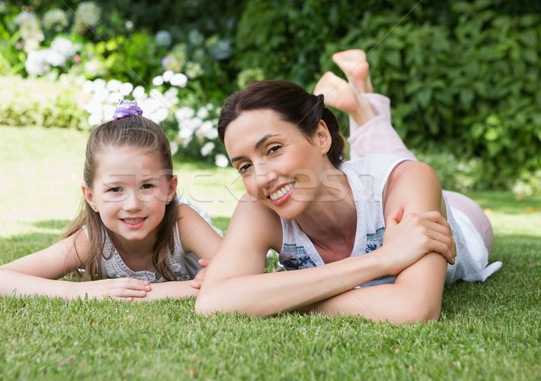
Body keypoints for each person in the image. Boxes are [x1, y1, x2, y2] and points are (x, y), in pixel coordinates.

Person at [195, 50, 501, 323]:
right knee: (364, 169)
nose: (261, 178)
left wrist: (272, 297)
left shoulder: (406, 180)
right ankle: (360, 97)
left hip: (464, 216)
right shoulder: (259, 207)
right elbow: (213, 302)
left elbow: (413, 308)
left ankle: (361, 106)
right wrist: (381, 259)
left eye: (273, 149)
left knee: (395, 164)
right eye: (245, 166)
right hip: (356, 183)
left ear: (320, 136)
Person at [0, 101, 222, 301]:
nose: (133, 204)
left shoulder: (183, 222)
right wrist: (78, 291)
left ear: (170, 189)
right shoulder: (93, 239)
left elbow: (242, 274)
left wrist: (153, 294)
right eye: (115, 189)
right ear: (91, 197)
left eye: (147, 186)